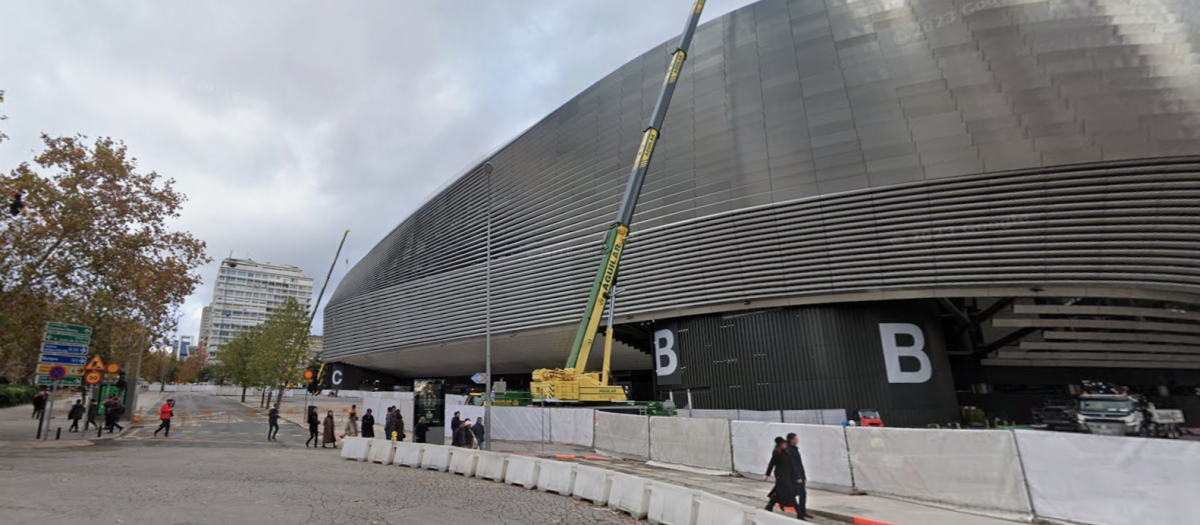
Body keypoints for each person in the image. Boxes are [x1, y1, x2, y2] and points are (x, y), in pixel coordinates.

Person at [763, 437, 802, 520]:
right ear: (779, 445)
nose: (785, 444)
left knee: (778, 491)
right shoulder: (776, 452)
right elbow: (772, 463)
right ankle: (799, 513)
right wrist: (767, 474)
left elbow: (792, 466)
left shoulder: (787, 452)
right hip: (780, 476)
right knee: (790, 492)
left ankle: (769, 506)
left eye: (785, 443)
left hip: (787, 476)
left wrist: (797, 477)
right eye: (783, 443)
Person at [786, 433, 813, 520]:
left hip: (800, 475)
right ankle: (800, 512)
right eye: (796, 438)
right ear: (791, 439)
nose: (797, 440)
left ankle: (802, 511)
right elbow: (793, 465)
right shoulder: (790, 450)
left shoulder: (794, 449)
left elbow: (798, 464)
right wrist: (798, 476)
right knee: (797, 494)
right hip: (796, 477)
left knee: (801, 494)